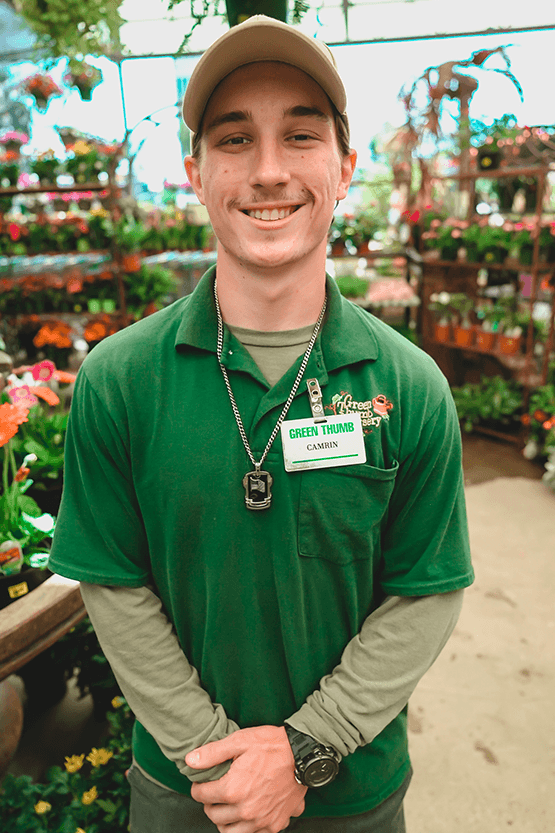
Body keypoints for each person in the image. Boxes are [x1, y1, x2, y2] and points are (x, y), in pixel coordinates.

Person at [48, 15, 473, 833]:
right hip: (183, 792)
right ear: (196, 172)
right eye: (235, 139)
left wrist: (308, 748)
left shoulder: (407, 387)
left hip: (354, 795)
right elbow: (112, 578)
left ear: (345, 168)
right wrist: (218, 761)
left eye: (301, 135)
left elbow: (424, 589)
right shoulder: (121, 380)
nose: (269, 171)